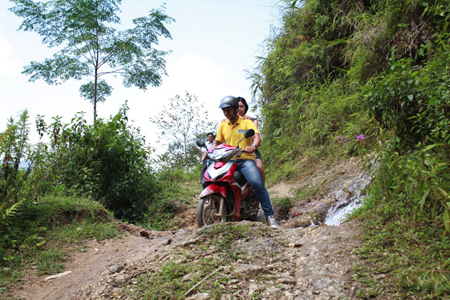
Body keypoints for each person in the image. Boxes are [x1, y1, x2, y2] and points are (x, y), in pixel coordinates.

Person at [211, 95, 278, 228]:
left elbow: (257, 137)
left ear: (236, 109)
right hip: (228, 160)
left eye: (228, 110)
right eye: (224, 110)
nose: (226, 113)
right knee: (213, 179)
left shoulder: (246, 122)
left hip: (245, 160)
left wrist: (253, 146)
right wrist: (208, 152)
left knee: (257, 183)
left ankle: (269, 215)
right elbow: (217, 143)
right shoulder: (223, 124)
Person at [235, 97, 266, 185]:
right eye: (237, 106)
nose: (239, 109)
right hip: (234, 152)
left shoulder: (251, 120)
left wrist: (253, 147)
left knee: (259, 167)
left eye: (242, 106)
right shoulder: (228, 122)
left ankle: (262, 190)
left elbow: (255, 136)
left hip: (250, 150)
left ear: (245, 108)